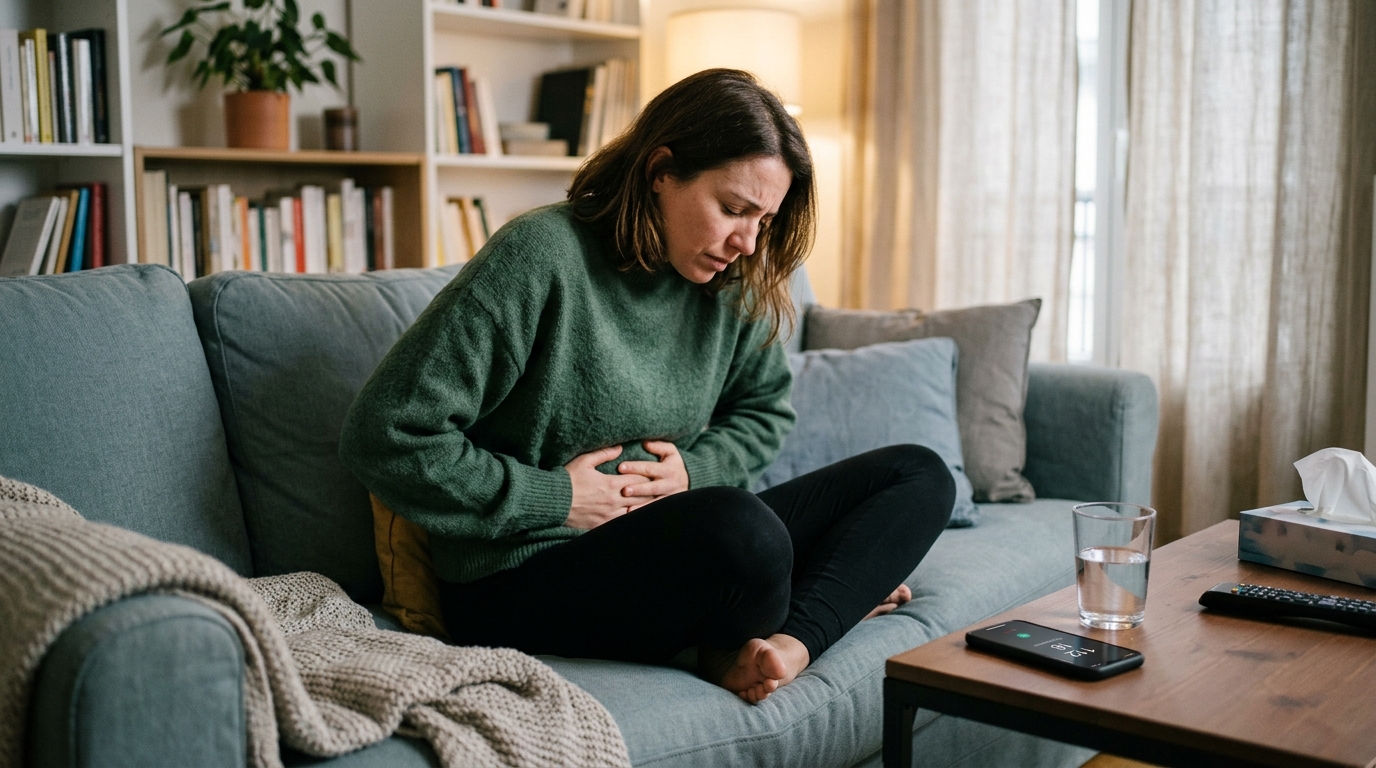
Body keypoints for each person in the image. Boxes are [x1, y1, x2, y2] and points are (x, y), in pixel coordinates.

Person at [339, 69, 955, 704]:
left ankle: (790, 643)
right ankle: (822, 599)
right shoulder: (540, 255)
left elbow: (764, 413)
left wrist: (693, 470)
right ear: (661, 170)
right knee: (744, 531)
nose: (747, 242)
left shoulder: (734, 279)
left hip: (667, 546)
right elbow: (384, 434)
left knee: (919, 474)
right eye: (733, 209)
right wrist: (555, 498)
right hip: (520, 575)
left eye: (763, 220)